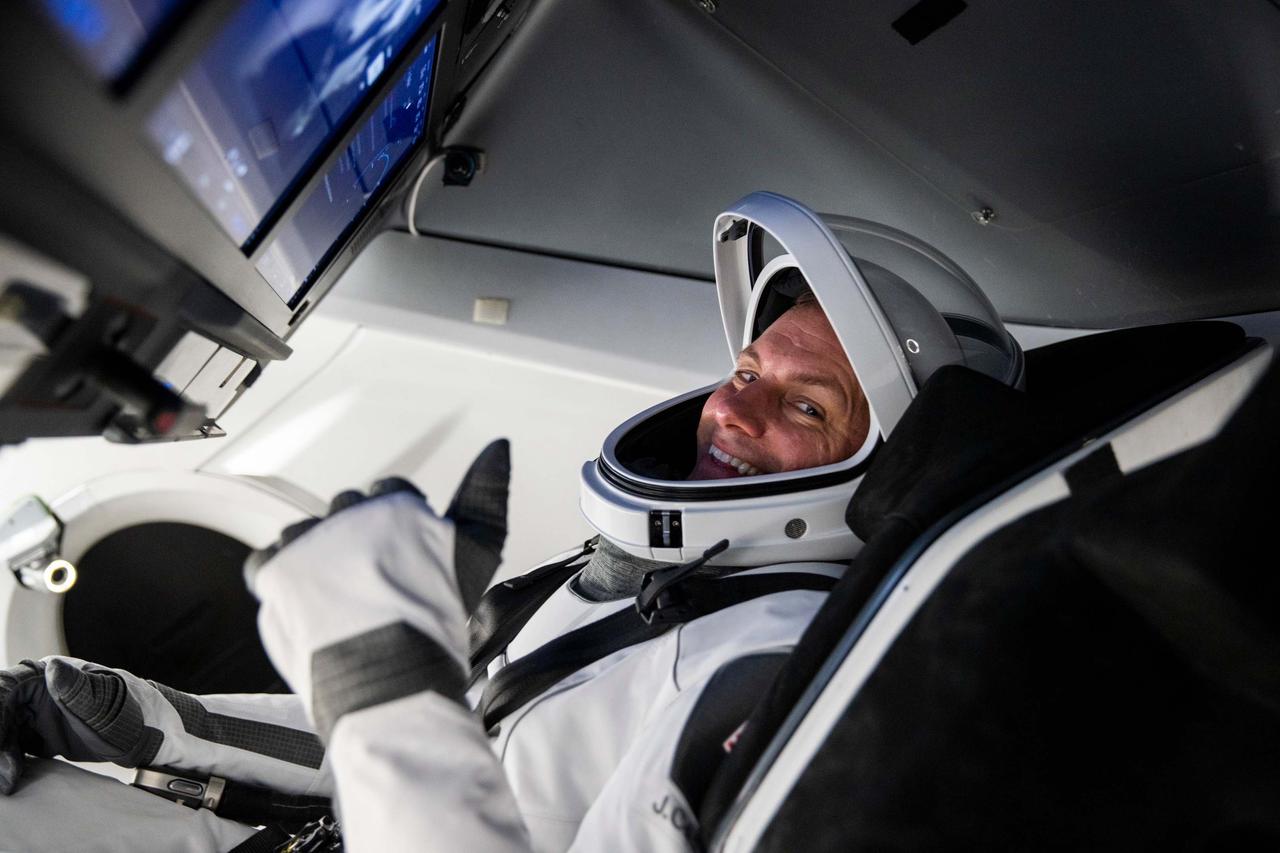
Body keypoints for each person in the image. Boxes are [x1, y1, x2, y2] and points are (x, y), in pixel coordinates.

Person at [0, 192, 1023, 852]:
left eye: (805, 406)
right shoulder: (669, 584)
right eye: (746, 371)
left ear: (882, 470)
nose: (732, 411)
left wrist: (382, 673)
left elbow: (420, 754)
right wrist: (142, 718)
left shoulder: (768, 673)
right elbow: (449, 758)